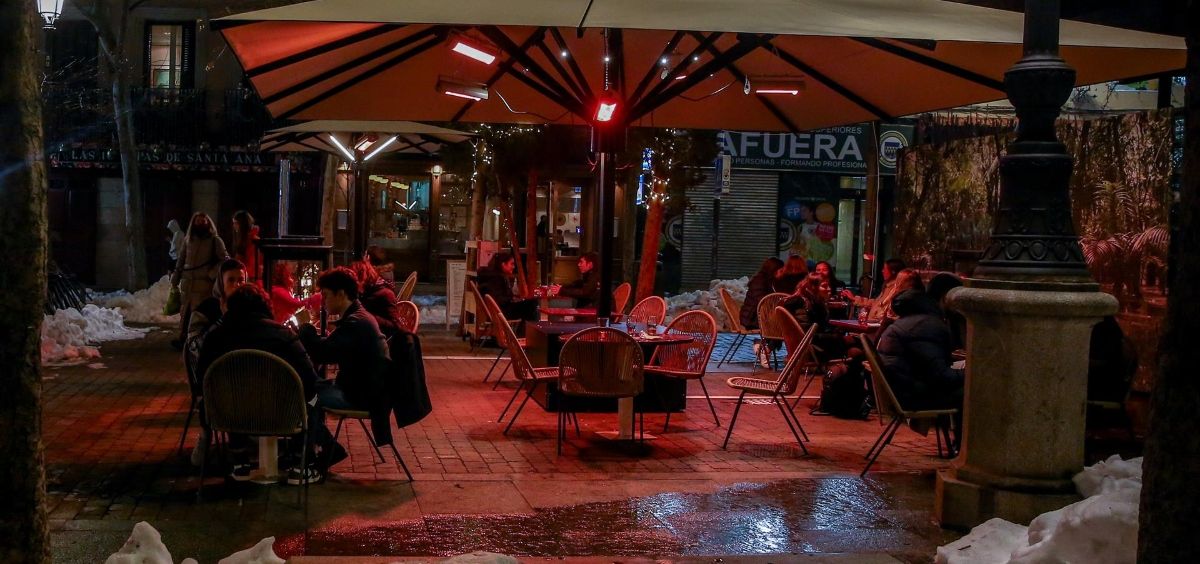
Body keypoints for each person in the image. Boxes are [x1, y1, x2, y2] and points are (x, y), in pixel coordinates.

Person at [195, 284, 345, 483]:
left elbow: (202, 379)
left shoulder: (215, 338)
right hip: (281, 415)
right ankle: (301, 463)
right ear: (265, 306)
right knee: (313, 399)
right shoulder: (283, 336)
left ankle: (240, 462)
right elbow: (309, 381)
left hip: (228, 415)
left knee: (235, 394)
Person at [298, 267, 391, 475]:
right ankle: (316, 449)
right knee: (310, 392)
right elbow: (332, 347)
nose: (323, 301)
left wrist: (306, 328)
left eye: (326, 295)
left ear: (341, 294)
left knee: (305, 397)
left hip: (359, 396)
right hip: (363, 390)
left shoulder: (356, 322)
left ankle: (321, 451)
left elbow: (323, 353)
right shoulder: (358, 317)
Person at [874, 288, 964, 419]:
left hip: (901, 392)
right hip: (914, 397)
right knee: (974, 391)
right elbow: (941, 376)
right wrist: (971, 374)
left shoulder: (905, 324)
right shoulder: (925, 326)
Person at [171, 212, 229, 349]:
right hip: (188, 283)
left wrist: (211, 274)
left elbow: (224, 259)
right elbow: (181, 259)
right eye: (198, 221)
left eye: (203, 221)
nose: (200, 224)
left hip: (204, 285)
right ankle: (184, 339)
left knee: (199, 314)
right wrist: (176, 276)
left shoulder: (215, 241)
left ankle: (197, 340)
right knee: (186, 314)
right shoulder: (188, 240)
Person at [350, 259, 405, 338]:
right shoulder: (365, 292)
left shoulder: (385, 293)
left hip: (380, 339)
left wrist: (369, 316)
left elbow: (396, 327)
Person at [476, 252, 538, 321]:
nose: (513, 267)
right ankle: (531, 327)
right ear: (503, 264)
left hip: (496, 311)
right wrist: (512, 299)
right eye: (511, 264)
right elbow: (501, 300)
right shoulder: (497, 279)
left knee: (529, 304)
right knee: (532, 304)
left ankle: (524, 326)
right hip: (502, 313)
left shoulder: (489, 277)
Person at [841, 258, 906, 322]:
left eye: (884, 269)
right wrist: (854, 298)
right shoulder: (887, 287)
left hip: (877, 325)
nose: (882, 271)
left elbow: (884, 312)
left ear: (893, 272)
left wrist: (871, 320)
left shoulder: (895, 290)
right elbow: (876, 303)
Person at [740, 257, 785, 331]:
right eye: (781, 270)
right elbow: (762, 300)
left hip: (759, 315)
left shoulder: (769, 280)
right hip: (752, 318)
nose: (782, 273)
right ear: (773, 270)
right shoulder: (759, 281)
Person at [232, 210, 261, 283]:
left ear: (242, 224)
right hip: (247, 276)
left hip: (249, 278)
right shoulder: (246, 240)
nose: (234, 226)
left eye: (236, 223)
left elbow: (251, 264)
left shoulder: (251, 241)